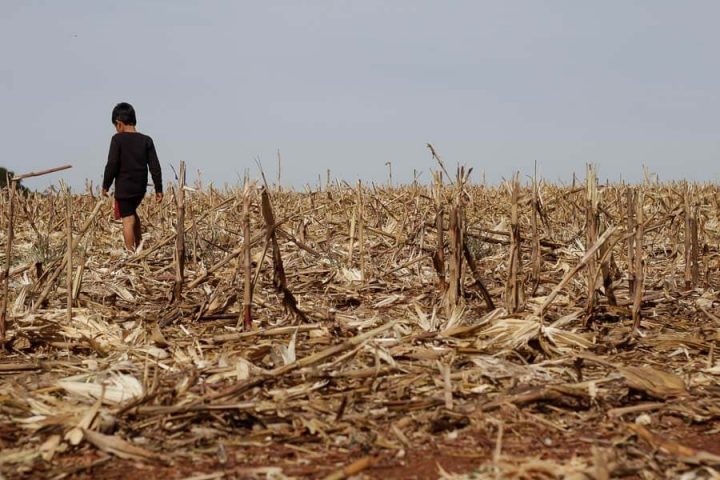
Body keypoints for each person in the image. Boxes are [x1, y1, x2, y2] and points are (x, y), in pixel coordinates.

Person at [102, 102, 163, 251]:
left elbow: (112, 164)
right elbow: (155, 166)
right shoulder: (146, 140)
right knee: (132, 214)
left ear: (119, 124)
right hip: (140, 188)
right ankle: (139, 245)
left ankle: (131, 254)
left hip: (125, 188)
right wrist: (158, 189)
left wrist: (106, 185)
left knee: (128, 219)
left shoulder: (117, 140)